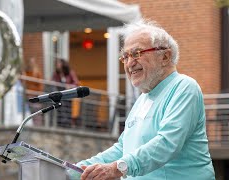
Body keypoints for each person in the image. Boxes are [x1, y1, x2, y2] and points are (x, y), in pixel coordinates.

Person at [75, 20, 215, 180]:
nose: (129, 63)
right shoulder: (142, 99)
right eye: (125, 57)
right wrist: (72, 170)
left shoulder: (184, 87)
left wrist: (116, 168)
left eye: (136, 54)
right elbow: (122, 148)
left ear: (165, 56)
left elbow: (167, 144)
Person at [52, 58, 79, 127]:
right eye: (56, 64)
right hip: (59, 95)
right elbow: (52, 81)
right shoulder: (56, 74)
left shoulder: (70, 72)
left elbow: (76, 83)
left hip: (67, 95)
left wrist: (69, 86)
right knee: (60, 108)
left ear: (62, 64)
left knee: (67, 109)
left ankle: (67, 123)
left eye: (58, 64)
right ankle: (61, 123)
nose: (57, 65)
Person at [23, 57, 44, 125]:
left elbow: (40, 86)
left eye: (32, 63)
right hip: (27, 95)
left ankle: (37, 125)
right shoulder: (25, 72)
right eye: (30, 62)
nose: (31, 64)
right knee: (28, 112)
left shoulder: (37, 73)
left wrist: (36, 93)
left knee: (36, 112)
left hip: (34, 95)